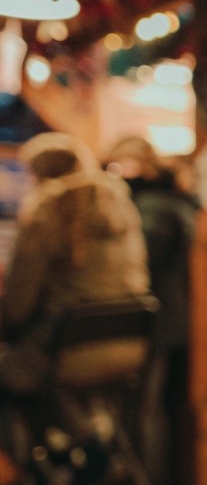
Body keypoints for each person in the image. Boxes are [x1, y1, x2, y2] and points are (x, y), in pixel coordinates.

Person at [0, 133, 149, 395]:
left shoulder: (47, 211)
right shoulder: (122, 206)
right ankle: (85, 431)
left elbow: (16, 308)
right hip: (128, 345)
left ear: (40, 174)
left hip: (64, 350)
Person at [105, 136, 199, 485]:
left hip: (153, 317)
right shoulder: (171, 200)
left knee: (145, 407)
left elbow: (143, 260)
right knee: (153, 405)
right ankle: (152, 482)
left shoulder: (150, 206)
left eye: (120, 166)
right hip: (168, 313)